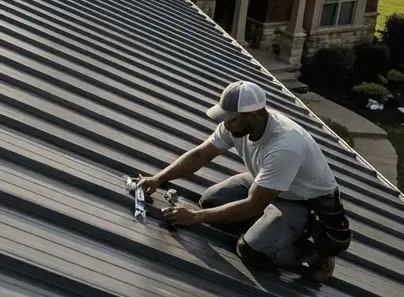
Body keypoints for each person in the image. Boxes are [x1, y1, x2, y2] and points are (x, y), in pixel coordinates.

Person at [140, 81, 349, 283]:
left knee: (251, 250)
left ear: (254, 116)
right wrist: (159, 178)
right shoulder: (236, 125)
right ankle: (268, 229)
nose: (226, 125)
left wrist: (194, 217)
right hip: (268, 183)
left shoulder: (285, 145)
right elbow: (200, 156)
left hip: (301, 201)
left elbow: (254, 204)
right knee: (211, 202)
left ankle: (316, 255)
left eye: (232, 120)